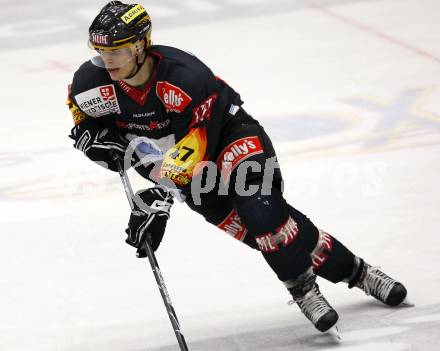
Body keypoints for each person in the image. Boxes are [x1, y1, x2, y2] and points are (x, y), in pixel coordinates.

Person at [67, 1, 409, 334]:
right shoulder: (91, 82)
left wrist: (159, 199)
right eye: (100, 51)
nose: (107, 60)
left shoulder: (184, 76)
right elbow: (83, 118)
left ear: (141, 46)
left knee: (261, 210)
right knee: (269, 236)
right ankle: (359, 273)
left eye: (117, 52)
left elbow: (194, 148)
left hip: (226, 139)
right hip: (180, 170)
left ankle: (304, 291)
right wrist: (95, 140)